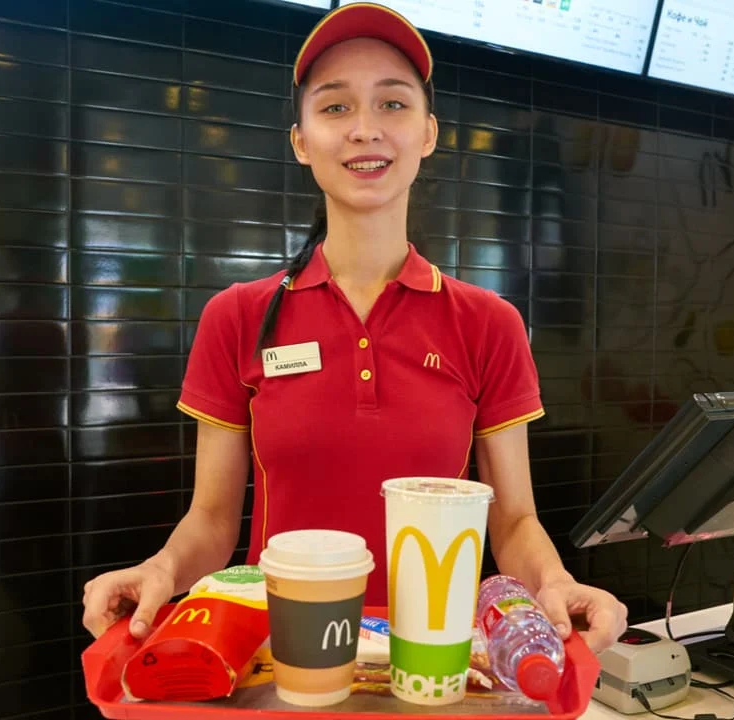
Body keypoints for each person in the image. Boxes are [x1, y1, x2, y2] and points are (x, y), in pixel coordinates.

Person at [82, 2, 628, 654]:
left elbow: (510, 520)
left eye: (392, 104)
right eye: (336, 107)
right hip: (285, 660)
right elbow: (212, 518)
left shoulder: (488, 324)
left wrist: (554, 582)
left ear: (428, 132)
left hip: (436, 664)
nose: (365, 129)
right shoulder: (238, 317)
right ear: (301, 140)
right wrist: (162, 571)